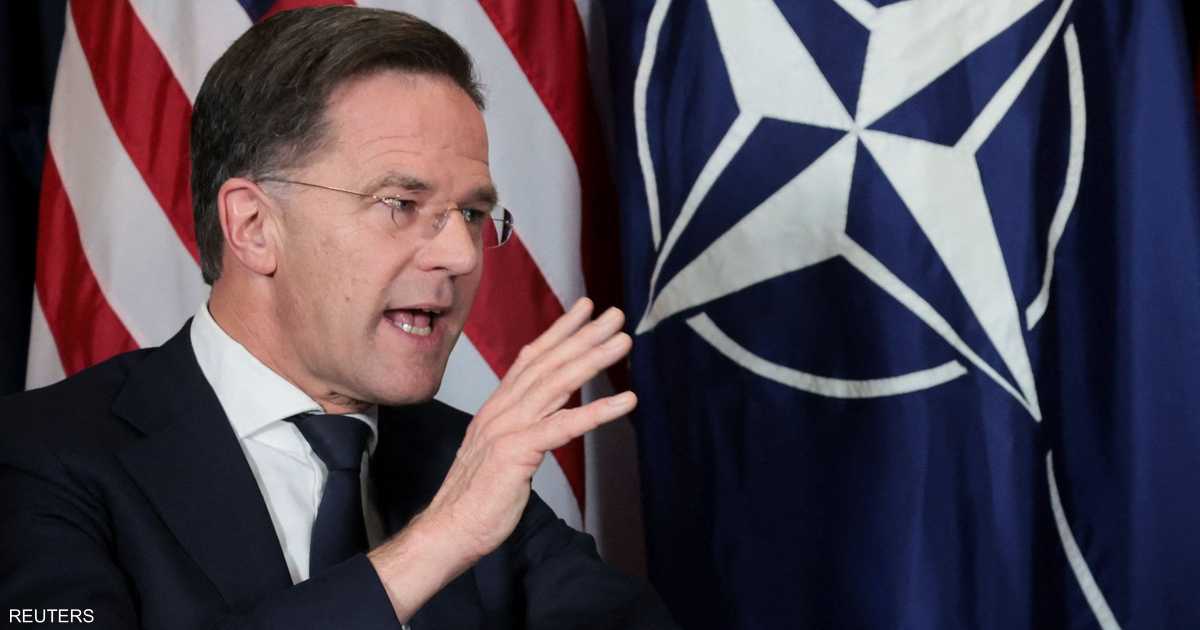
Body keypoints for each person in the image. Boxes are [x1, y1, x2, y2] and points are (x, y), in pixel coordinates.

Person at [0, 6, 676, 629]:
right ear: (254, 226)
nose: (461, 254)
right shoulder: (38, 456)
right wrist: (437, 542)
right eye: (399, 204)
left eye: (472, 213)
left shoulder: (465, 458)